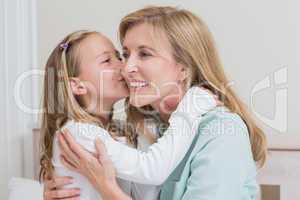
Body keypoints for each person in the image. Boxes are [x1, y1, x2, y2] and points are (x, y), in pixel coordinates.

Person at [53, 6, 268, 200]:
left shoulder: (222, 133)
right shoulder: (144, 128)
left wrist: (106, 189)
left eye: (144, 54)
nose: (126, 67)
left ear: (184, 68)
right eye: (126, 54)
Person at [40, 30, 217, 200]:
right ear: (78, 86)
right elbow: (152, 170)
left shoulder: (119, 132)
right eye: (107, 60)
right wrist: (190, 108)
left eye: (119, 56)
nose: (124, 66)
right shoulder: (78, 133)